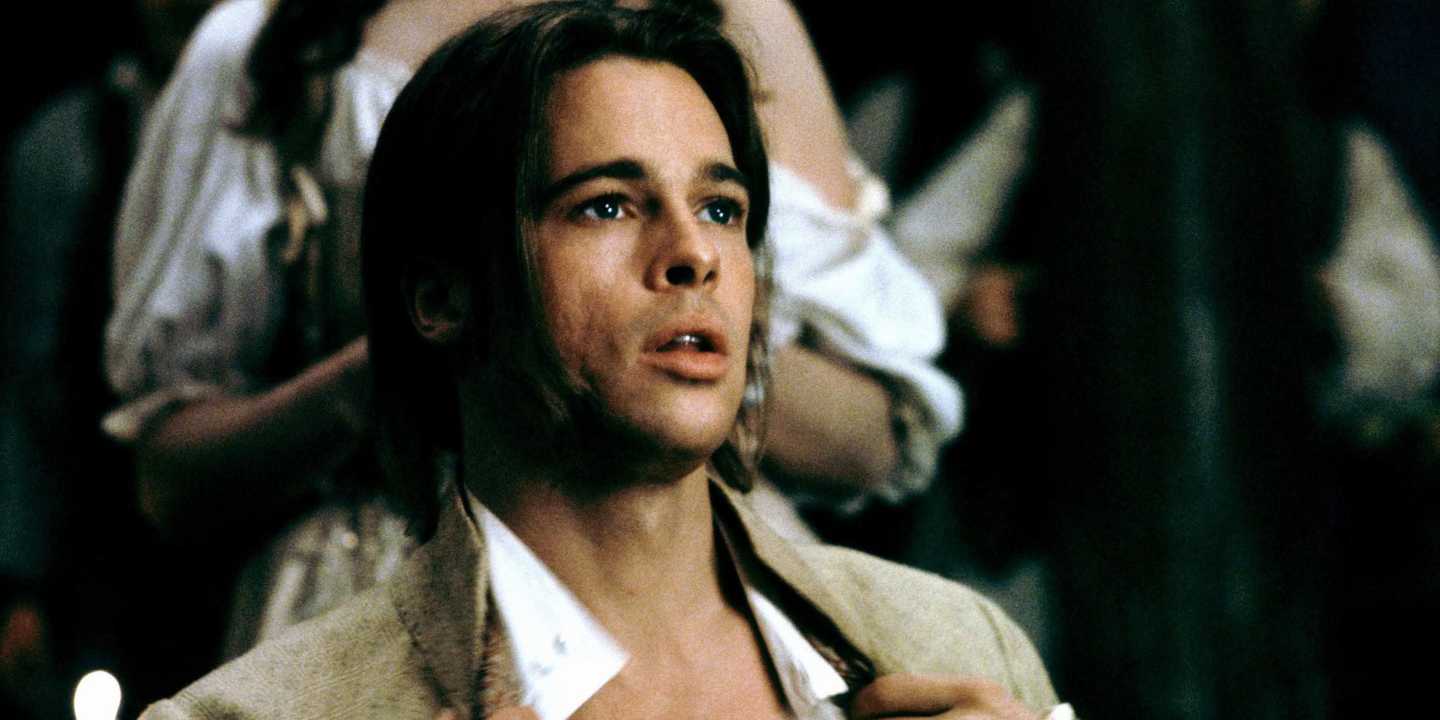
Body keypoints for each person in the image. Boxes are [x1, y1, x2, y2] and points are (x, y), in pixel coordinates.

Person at [138, 4, 1067, 719]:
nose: (695, 252)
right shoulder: (281, 40)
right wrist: (412, 367)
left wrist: (667, 349)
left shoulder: (958, 651)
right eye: (605, 206)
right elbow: (167, 463)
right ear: (439, 297)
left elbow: (872, 430)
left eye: (723, 210)